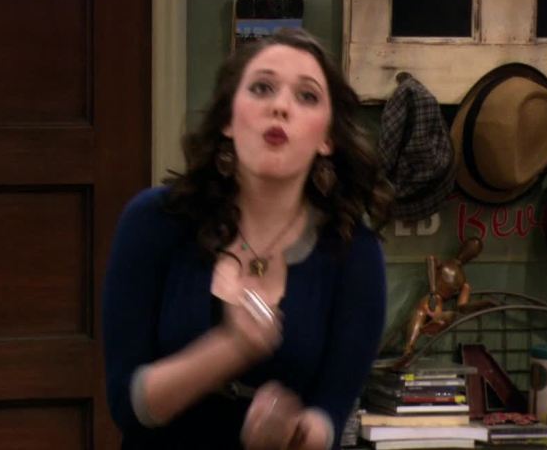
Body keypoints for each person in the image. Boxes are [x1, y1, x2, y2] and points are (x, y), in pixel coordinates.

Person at [103, 28, 393, 449]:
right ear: (227, 120)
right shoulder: (155, 222)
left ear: (327, 139)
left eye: (306, 96)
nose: (280, 106)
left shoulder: (353, 252)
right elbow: (126, 406)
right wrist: (229, 349)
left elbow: (329, 417)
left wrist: (293, 433)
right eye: (262, 88)